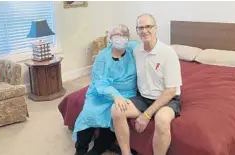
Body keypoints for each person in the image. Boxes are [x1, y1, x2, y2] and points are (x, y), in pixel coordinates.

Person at [111, 14, 182, 155]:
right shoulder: (136, 50)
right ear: (137, 31)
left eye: (148, 26)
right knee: (116, 109)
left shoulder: (168, 53)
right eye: (140, 28)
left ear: (156, 29)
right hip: (143, 98)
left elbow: (171, 90)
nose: (144, 31)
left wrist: (147, 115)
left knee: (161, 120)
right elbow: (118, 49)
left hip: (167, 100)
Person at [72, 24, 140, 155]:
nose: (120, 38)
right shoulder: (102, 56)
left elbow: (149, 47)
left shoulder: (134, 49)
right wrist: (115, 96)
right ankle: (80, 149)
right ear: (110, 38)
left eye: (123, 35)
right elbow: (99, 81)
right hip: (101, 93)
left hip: (125, 93)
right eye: (116, 35)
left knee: (113, 115)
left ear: (128, 38)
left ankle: (98, 149)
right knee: (89, 112)